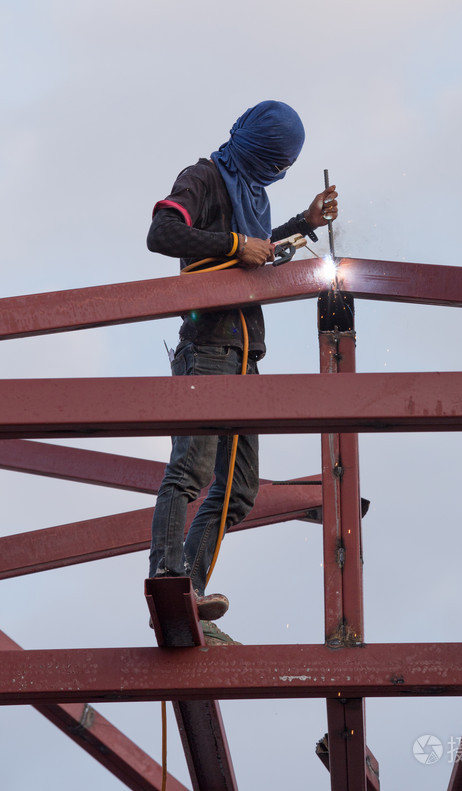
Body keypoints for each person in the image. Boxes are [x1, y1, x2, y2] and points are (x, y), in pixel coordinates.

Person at [146, 100, 338, 645]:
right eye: (276, 158)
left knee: (238, 491)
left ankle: (190, 587)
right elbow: (162, 234)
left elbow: (255, 255)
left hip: (244, 356)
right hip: (206, 351)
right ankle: (167, 577)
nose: (277, 169)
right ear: (259, 149)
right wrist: (235, 244)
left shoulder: (251, 194)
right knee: (190, 470)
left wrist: (304, 223)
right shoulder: (205, 177)